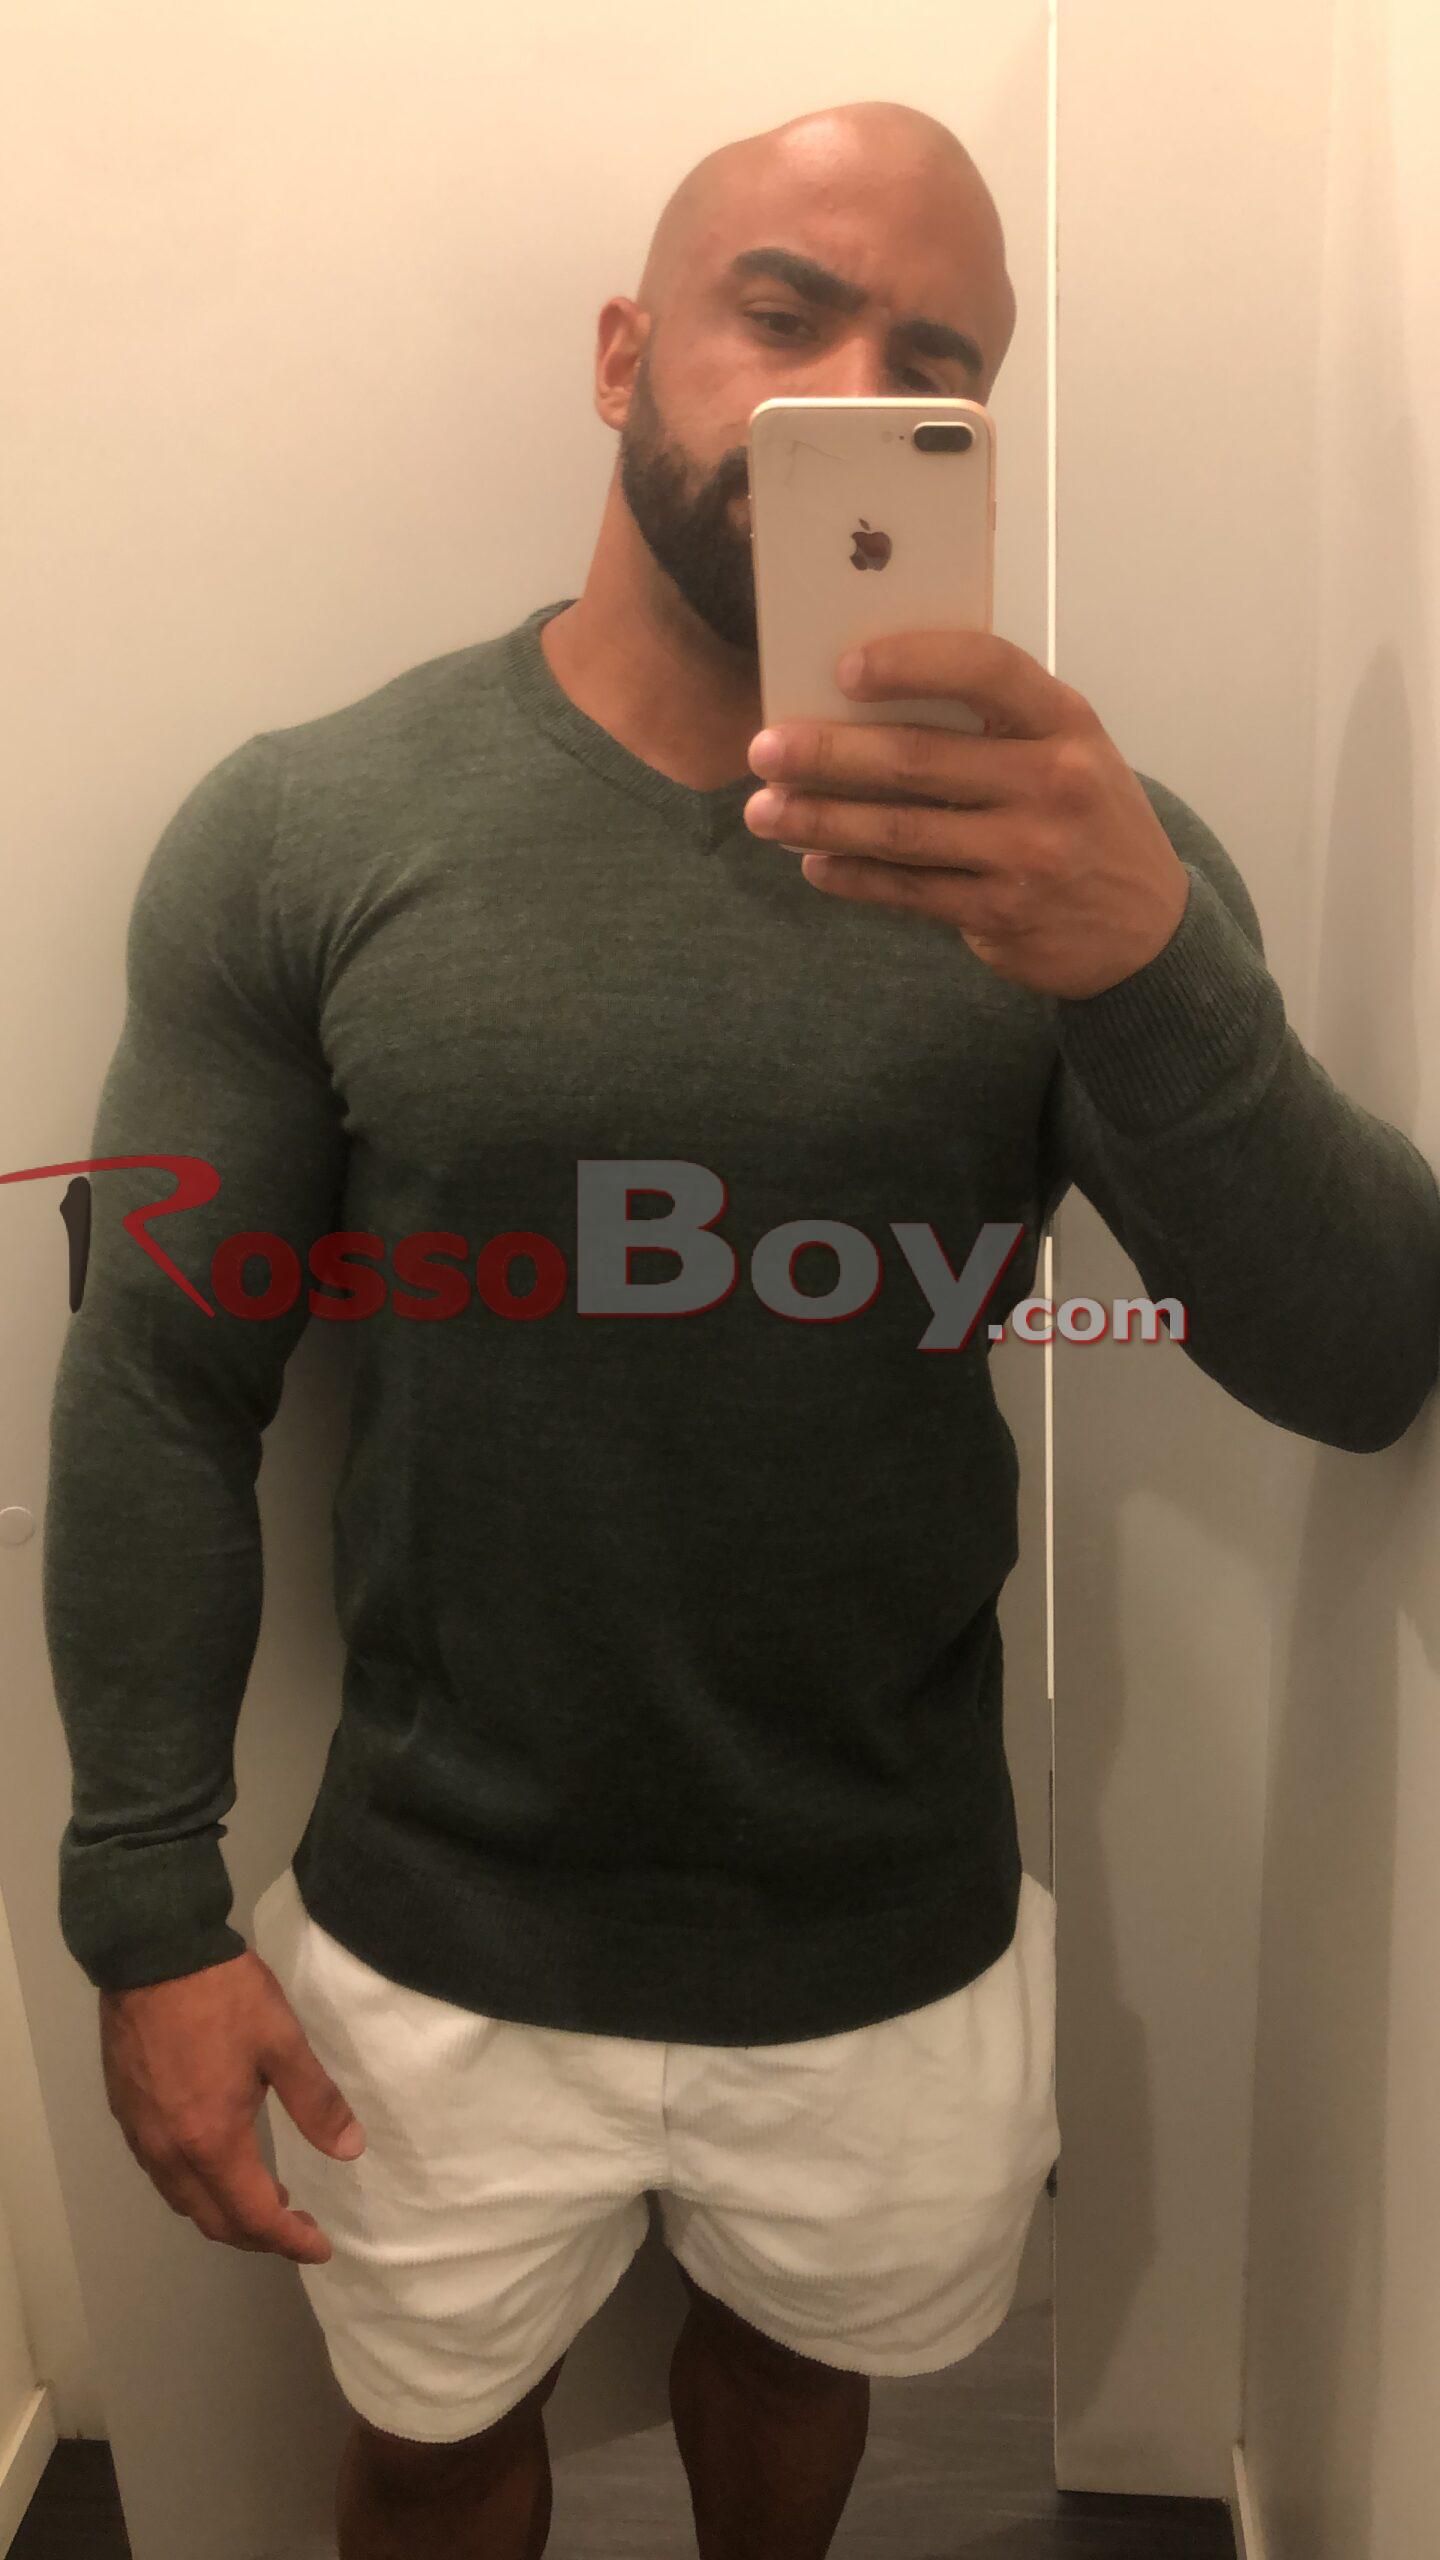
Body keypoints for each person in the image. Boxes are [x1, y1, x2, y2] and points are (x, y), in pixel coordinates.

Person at [42, 97, 1440, 2560]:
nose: (844, 391)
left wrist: (1150, 963)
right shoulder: (310, 825)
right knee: (431, 2436)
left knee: (801, 2375)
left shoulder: (1077, 854)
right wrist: (144, 1906)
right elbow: (164, 1378)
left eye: (935, 363)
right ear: (623, 354)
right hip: (433, 1922)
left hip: (885, 1918)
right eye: (780, 311)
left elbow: (1361, 1352)